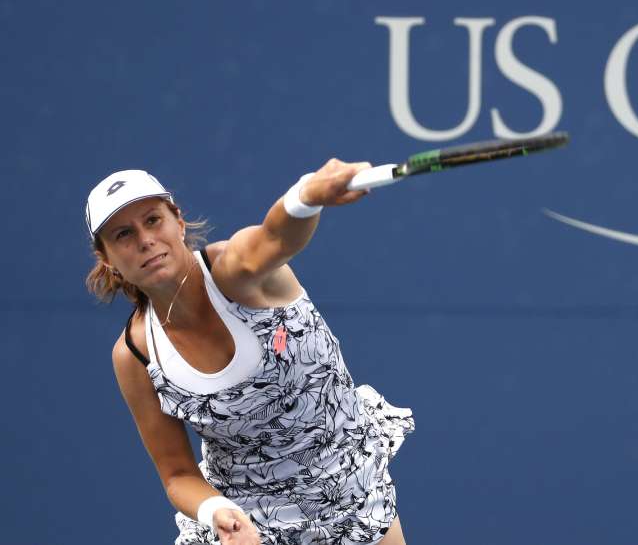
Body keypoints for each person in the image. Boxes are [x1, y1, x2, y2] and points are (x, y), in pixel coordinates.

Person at [87, 161, 415, 545]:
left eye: (153, 220)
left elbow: (276, 237)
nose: (145, 240)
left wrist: (305, 196)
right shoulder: (135, 355)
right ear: (107, 258)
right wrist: (218, 512)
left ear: (177, 221)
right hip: (247, 522)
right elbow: (177, 474)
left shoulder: (234, 271)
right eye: (124, 234)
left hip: (349, 494)